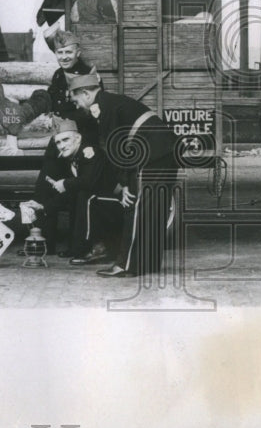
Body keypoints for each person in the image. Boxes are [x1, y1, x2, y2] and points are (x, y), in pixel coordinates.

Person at [67, 73, 180, 278]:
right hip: (166, 149)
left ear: (85, 93)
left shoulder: (104, 107)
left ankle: (125, 265)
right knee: (155, 208)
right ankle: (148, 263)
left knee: (134, 206)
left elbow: (116, 149)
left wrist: (125, 184)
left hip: (152, 151)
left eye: (76, 101)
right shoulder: (113, 101)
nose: (77, 106)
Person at [28, 117, 119, 263]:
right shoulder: (73, 158)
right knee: (78, 196)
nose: (61, 146)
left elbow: (89, 182)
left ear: (78, 138)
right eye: (58, 142)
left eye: (65, 140)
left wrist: (65, 183)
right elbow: (70, 193)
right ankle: (78, 247)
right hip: (102, 204)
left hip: (117, 204)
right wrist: (44, 206)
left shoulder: (89, 152)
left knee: (86, 196)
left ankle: (95, 249)